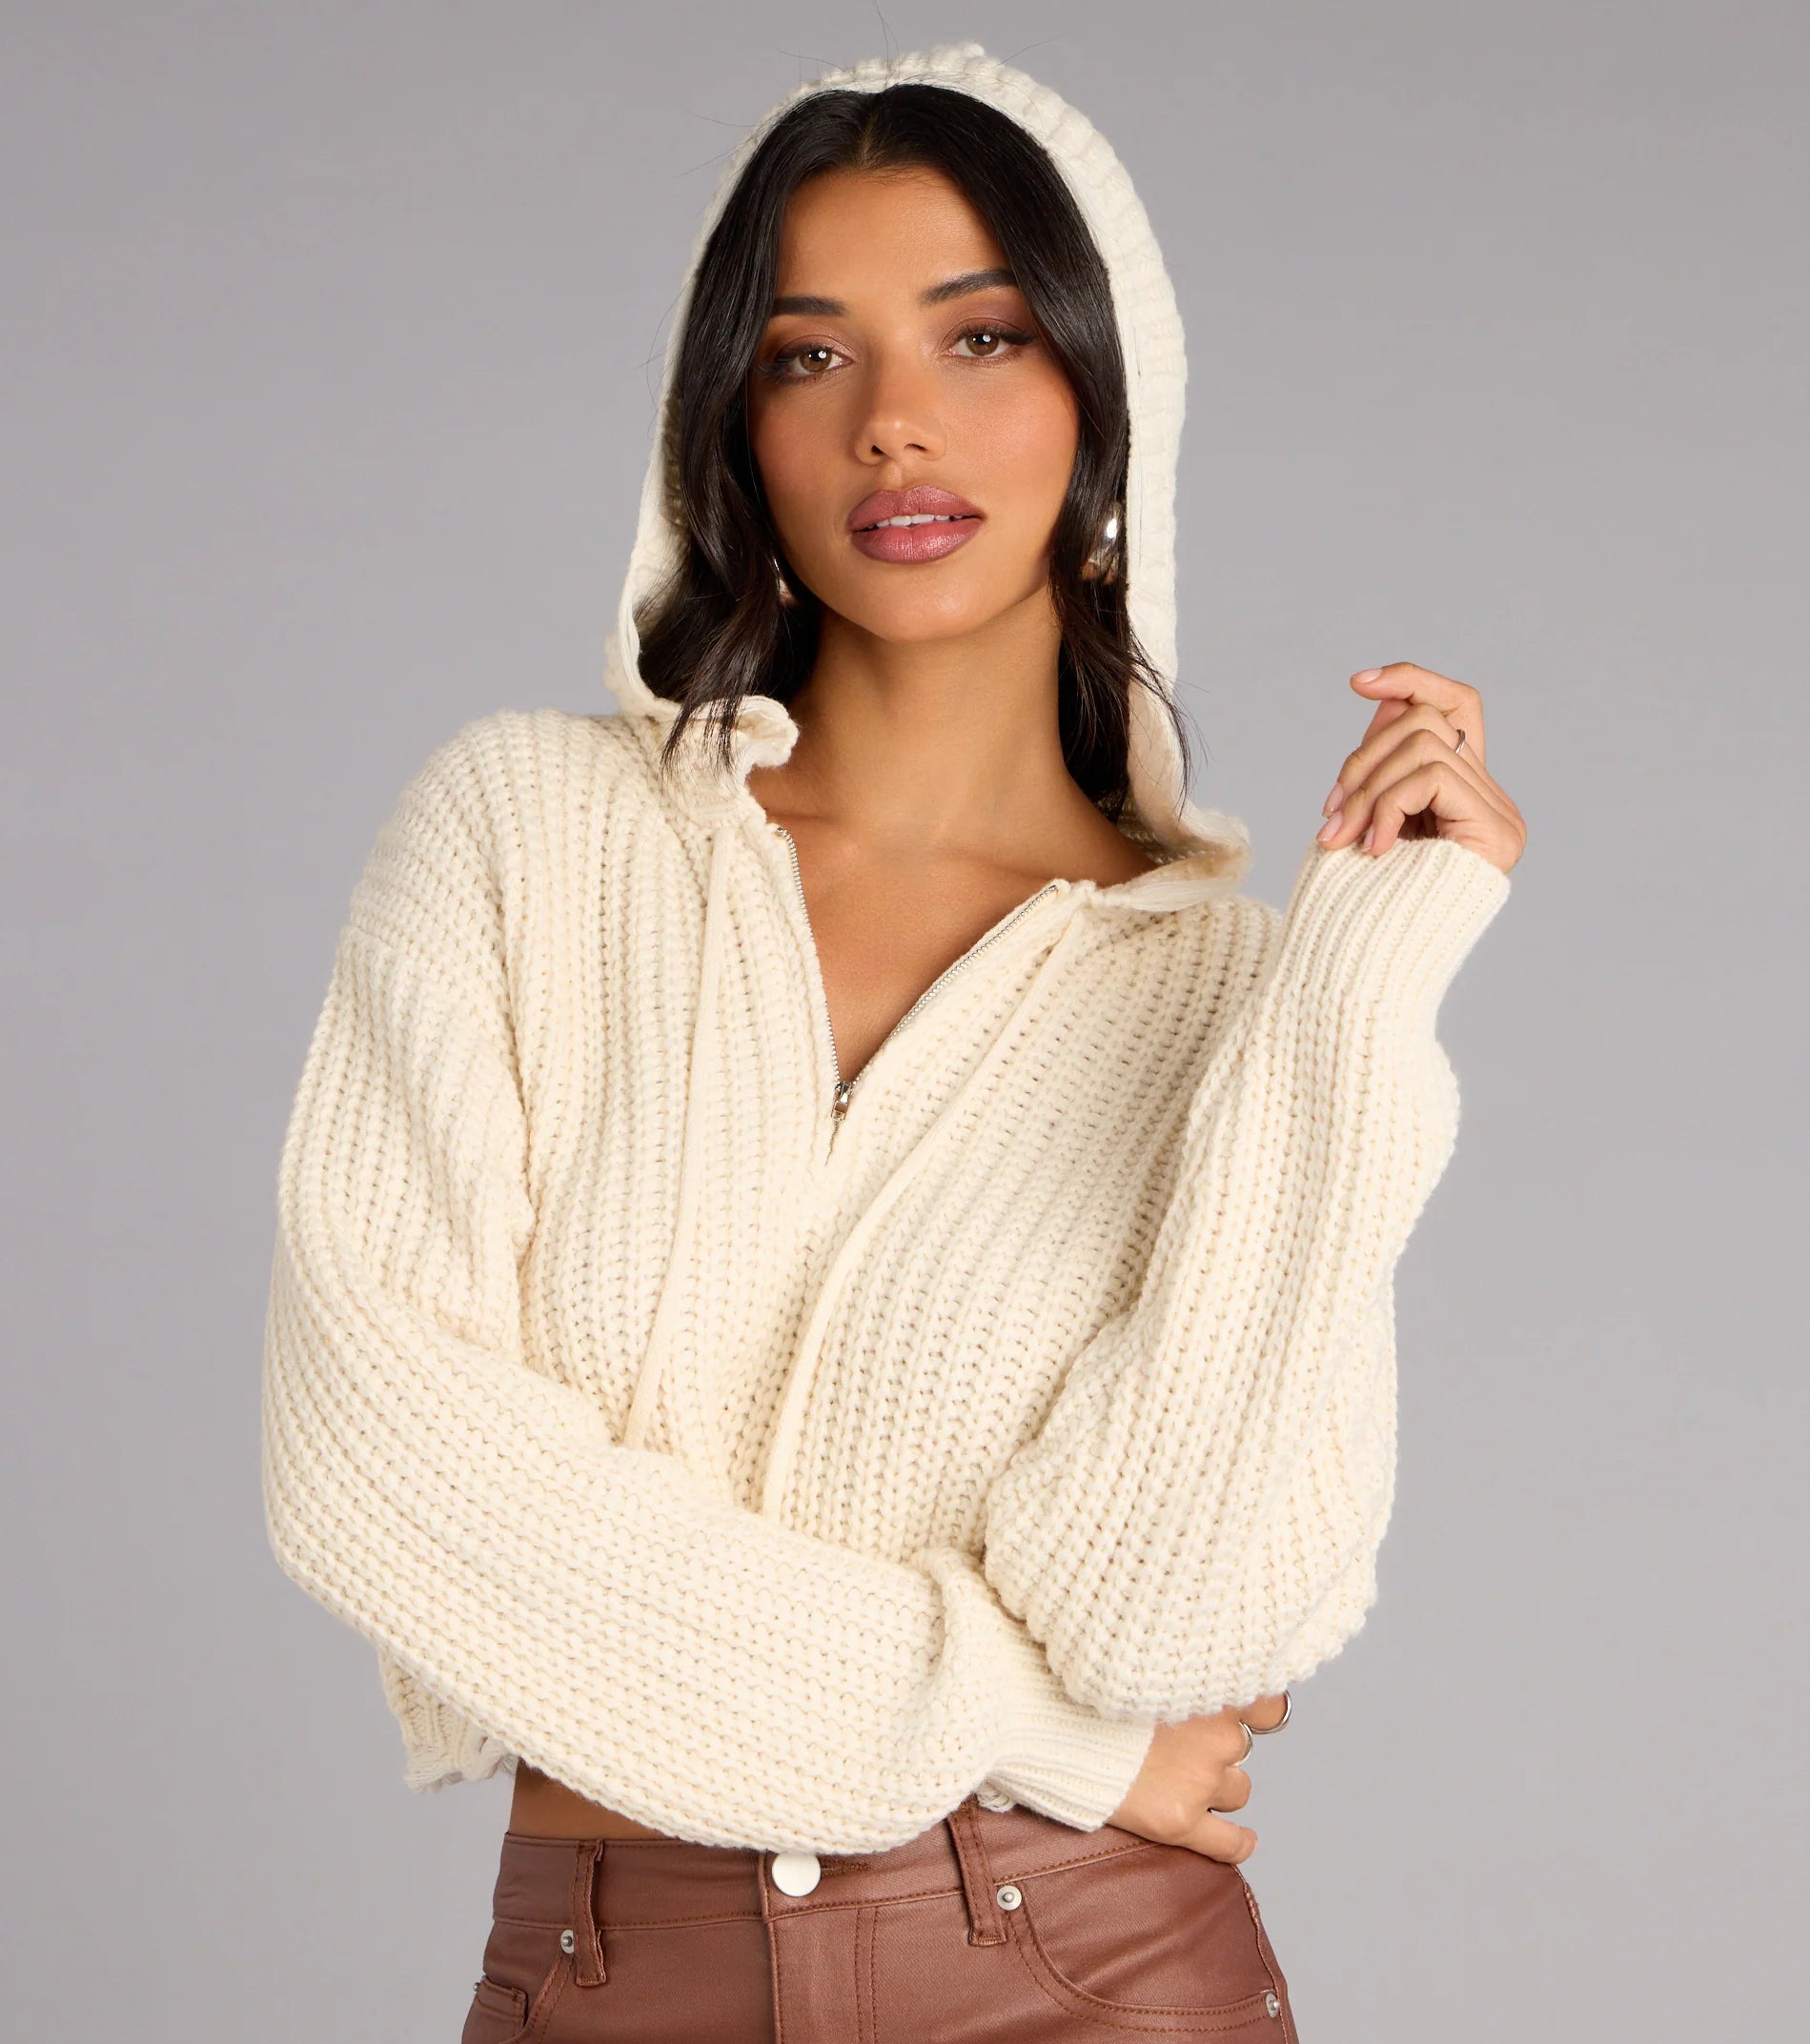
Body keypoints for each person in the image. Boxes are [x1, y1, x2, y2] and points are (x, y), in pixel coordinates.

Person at [259, 40, 1524, 2043]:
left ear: (1107, 407)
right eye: (809, 355)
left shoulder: (1229, 995)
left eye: (981, 335)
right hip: (617, 1968)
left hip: (1082, 1972)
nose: (893, 422)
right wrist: (1033, 1726)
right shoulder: (522, 839)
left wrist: (1357, 981)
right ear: (731, 432)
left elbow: (1169, 1607)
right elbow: (379, 1461)